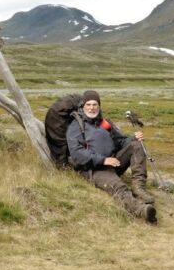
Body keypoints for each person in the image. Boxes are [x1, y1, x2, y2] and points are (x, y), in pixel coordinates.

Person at [66, 90, 157, 223]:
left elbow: (120, 141)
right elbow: (77, 153)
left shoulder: (104, 123)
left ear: (99, 106)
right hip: (95, 169)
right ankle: (142, 210)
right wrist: (103, 160)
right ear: (83, 106)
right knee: (119, 186)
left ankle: (138, 187)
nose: (92, 108)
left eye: (95, 104)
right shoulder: (76, 126)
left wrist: (133, 138)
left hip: (113, 162)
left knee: (136, 145)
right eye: (89, 105)